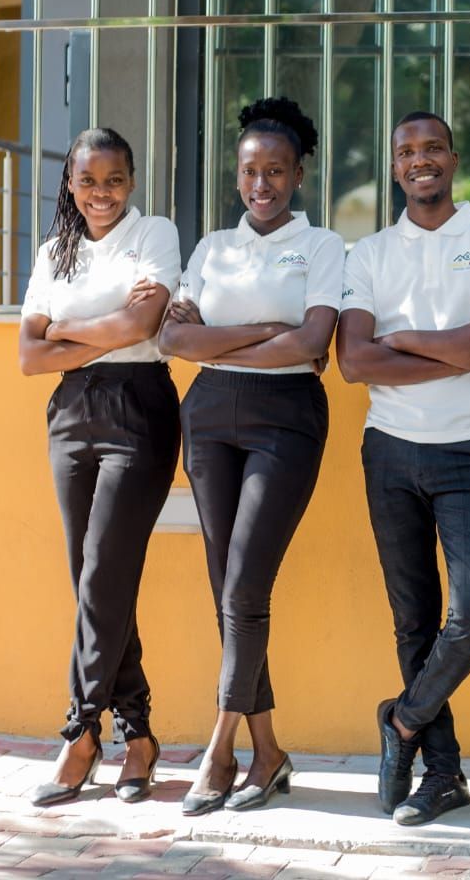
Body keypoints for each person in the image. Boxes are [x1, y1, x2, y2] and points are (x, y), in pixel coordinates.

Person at [336, 111, 470, 826]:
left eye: (433, 149)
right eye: (406, 151)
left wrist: (404, 338)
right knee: (413, 620)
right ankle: (443, 774)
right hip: (388, 449)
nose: (420, 160)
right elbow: (355, 360)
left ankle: (403, 722)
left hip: (467, 449)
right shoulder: (370, 253)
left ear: (453, 158)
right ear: (394, 166)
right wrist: (457, 342)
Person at [158, 98, 343, 815]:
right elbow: (176, 344)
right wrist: (270, 326)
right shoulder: (212, 248)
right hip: (207, 417)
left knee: (242, 589)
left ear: (298, 174)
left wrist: (229, 335)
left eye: (275, 170)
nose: (260, 183)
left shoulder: (323, 246)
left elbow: (310, 344)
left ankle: (220, 745)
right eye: (248, 170)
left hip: (286, 420)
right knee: (228, 591)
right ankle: (268, 753)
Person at [18, 127, 181, 806]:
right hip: (69, 418)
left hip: (138, 408)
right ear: (70, 184)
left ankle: (82, 731)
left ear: (131, 182)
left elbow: (142, 328)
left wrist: (63, 331)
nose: (101, 194)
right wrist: (99, 328)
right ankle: (138, 733)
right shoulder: (55, 250)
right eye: (88, 181)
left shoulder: (156, 234)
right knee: (92, 581)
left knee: (103, 575)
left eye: (113, 180)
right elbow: (28, 357)